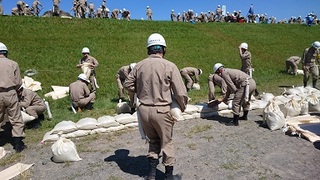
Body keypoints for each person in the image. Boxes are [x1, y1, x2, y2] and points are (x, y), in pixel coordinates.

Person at [124, 33, 188, 180]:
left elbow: (127, 84)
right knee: (167, 143)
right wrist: (181, 107)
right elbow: (181, 92)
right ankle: (169, 177)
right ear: (163, 49)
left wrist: (141, 91)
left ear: (149, 50)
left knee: (153, 141)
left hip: (144, 110)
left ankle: (151, 175)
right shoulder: (170, 66)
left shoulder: (139, 65)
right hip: (162, 110)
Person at [0, 42, 26, 153]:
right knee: (16, 118)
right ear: (6, 52)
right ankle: (18, 144)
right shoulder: (13, 64)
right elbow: (18, 82)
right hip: (10, 92)